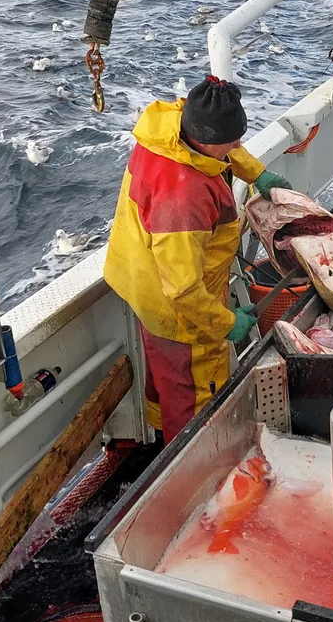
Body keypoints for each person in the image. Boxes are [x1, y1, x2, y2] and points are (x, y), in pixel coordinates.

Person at [104, 75, 292, 443]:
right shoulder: (183, 200)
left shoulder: (172, 126)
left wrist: (256, 173)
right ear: (206, 140)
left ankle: (160, 434)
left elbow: (221, 143)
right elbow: (184, 290)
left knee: (166, 374)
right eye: (232, 142)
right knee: (194, 393)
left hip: (140, 278)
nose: (238, 145)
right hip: (177, 308)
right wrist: (225, 323)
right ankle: (186, 466)